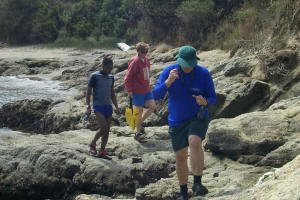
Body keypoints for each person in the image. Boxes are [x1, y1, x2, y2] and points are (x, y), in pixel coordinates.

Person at [152, 46, 217, 200]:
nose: (188, 67)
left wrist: (205, 101)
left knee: (194, 141)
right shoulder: (169, 71)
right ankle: (183, 192)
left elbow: (213, 97)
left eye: (190, 64)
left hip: (198, 116)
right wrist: (168, 82)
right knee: (180, 156)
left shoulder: (203, 74)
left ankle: (198, 183)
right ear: (178, 60)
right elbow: (156, 94)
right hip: (176, 120)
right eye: (185, 64)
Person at [86, 57, 120, 160]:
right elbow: (88, 92)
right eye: (108, 68)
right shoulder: (94, 76)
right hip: (98, 105)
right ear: (103, 66)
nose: (110, 70)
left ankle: (102, 151)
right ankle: (93, 143)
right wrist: (87, 107)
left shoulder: (111, 77)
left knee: (107, 130)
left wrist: (116, 106)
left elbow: (112, 93)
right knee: (104, 128)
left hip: (108, 106)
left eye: (111, 68)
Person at [124, 42, 156, 143]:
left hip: (146, 89)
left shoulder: (146, 60)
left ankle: (138, 124)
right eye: (143, 52)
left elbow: (147, 73)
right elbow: (127, 78)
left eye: (146, 51)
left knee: (153, 107)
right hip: (137, 91)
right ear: (138, 51)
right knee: (139, 112)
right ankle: (138, 133)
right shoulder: (135, 62)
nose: (145, 53)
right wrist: (129, 90)